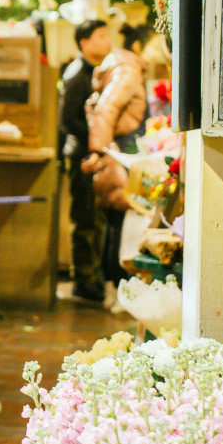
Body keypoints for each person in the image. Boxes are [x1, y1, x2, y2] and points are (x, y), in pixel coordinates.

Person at [83, 22, 151, 306]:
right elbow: (106, 110)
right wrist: (99, 150)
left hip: (116, 149)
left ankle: (115, 291)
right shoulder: (128, 70)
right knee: (120, 222)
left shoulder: (124, 68)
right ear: (139, 46)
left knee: (116, 221)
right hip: (120, 151)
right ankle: (117, 292)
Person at [58, 18, 112, 302]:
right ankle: (82, 279)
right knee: (84, 218)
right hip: (81, 155)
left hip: (95, 153)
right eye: (100, 36)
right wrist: (97, 139)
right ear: (84, 43)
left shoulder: (100, 71)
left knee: (97, 217)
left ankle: (94, 275)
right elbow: (68, 121)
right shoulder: (77, 74)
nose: (107, 40)